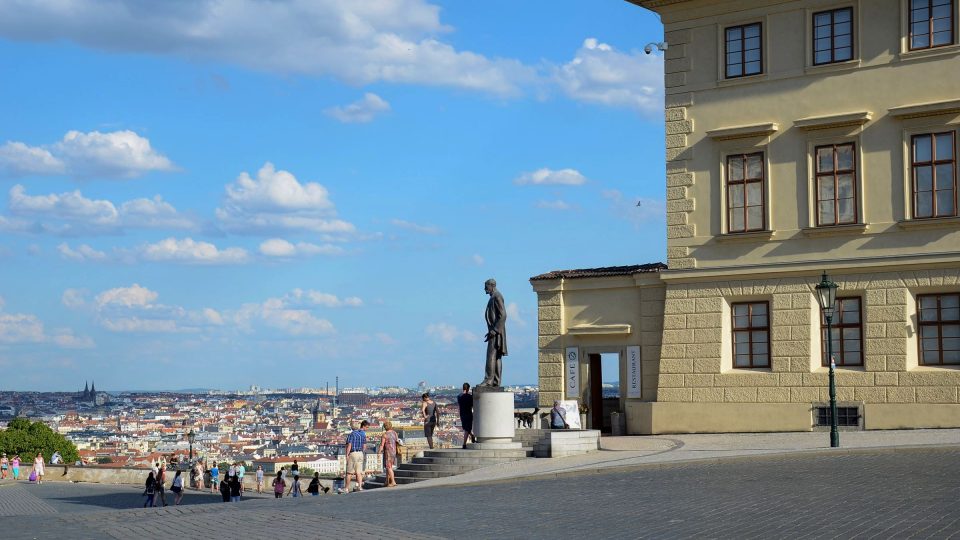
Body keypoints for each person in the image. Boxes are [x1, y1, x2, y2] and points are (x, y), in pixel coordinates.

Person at [479, 278, 508, 388]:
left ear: (492, 286)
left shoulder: (497, 296)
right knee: (496, 357)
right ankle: (496, 380)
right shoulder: (494, 297)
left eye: (486, 287)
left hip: (496, 332)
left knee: (491, 355)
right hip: (495, 331)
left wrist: (495, 330)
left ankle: (488, 380)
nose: (485, 289)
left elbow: (503, 315)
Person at [342, 420, 368, 493]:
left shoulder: (351, 434)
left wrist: (347, 455)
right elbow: (365, 446)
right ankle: (359, 487)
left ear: (352, 427)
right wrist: (361, 452)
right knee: (358, 472)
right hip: (360, 453)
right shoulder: (363, 434)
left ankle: (346, 488)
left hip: (353, 453)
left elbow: (349, 445)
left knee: (349, 472)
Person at [379, 420, 399, 487]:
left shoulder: (384, 435)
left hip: (388, 452)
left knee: (389, 467)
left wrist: (379, 452)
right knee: (388, 467)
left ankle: (393, 481)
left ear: (385, 427)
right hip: (394, 451)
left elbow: (382, 445)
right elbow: (397, 441)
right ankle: (387, 481)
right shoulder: (395, 433)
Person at [457, 383, 476, 448]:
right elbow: (473, 405)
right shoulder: (469, 397)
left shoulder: (459, 396)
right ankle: (464, 444)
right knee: (467, 429)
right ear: (468, 388)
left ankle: (471, 436)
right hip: (468, 413)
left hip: (462, 414)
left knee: (466, 428)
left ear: (463, 388)